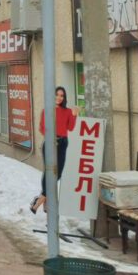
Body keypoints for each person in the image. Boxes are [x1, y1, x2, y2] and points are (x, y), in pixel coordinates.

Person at [30, 86, 79, 214]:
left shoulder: (67, 111)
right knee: (49, 171)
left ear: (64, 98)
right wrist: (50, 136)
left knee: (59, 173)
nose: (59, 97)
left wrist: (74, 115)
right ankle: (43, 200)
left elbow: (71, 127)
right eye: (57, 94)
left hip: (63, 142)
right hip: (51, 142)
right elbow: (41, 128)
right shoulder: (47, 110)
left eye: (61, 95)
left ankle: (41, 198)